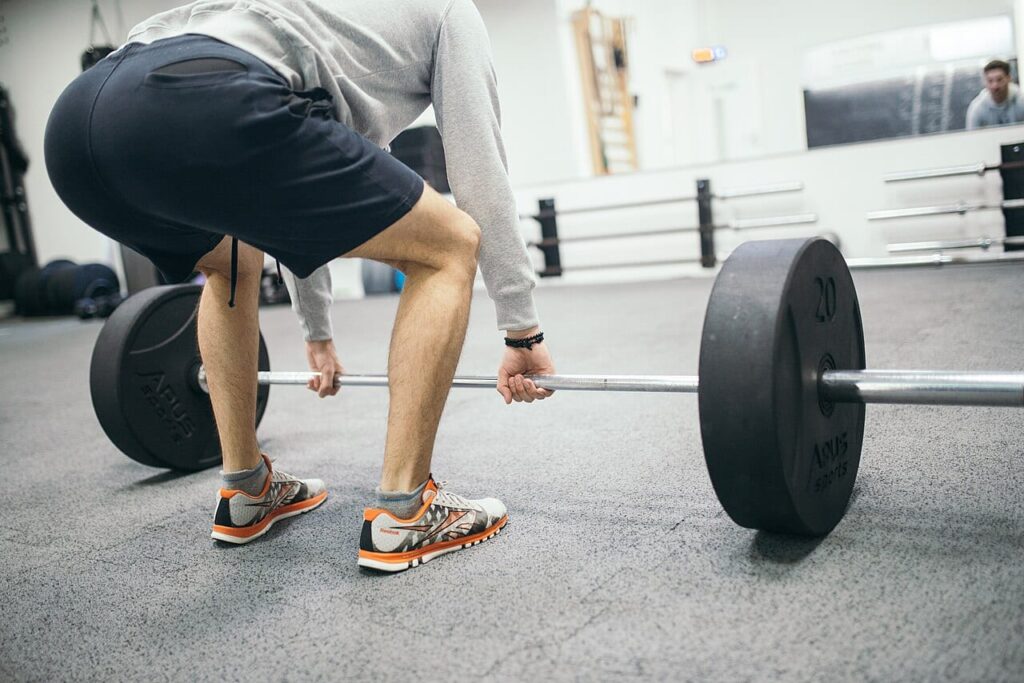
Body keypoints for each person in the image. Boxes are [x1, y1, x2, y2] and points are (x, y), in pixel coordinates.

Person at [44, 0, 556, 572]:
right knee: (451, 242)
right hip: (209, 99)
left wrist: (317, 334)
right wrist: (522, 330)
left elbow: (288, 212)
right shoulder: (448, 11)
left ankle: (246, 490)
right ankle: (405, 513)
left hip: (78, 127)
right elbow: (479, 172)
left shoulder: (314, 19)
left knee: (232, 258)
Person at [966, 59, 1024, 130]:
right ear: (985, 82)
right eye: (990, 81)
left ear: (1008, 78)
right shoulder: (977, 109)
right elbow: (972, 135)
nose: (995, 86)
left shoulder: (1021, 100)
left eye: (999, 80)